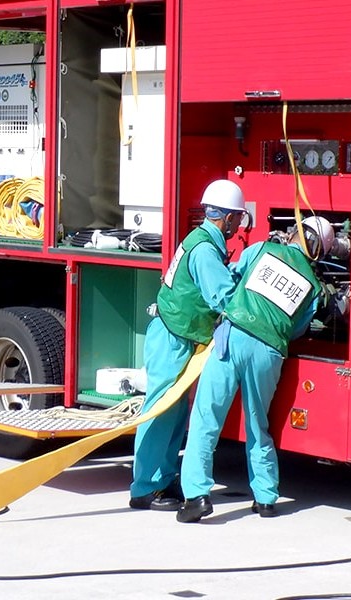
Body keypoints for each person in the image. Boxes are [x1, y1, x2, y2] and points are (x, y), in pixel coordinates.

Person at [176, 215, 334, 522]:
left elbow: (233, 277)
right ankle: (265, 498)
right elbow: (299, 328)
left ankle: (196, 496)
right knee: (257, 423)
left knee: (207, 417)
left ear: (294, 233)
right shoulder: (314, 288)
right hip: (269, 352)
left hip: (233, 336)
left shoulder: (261, 249)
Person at [129, 179, 247, 510]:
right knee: (161, 410)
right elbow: (223, 297)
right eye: (237, 217)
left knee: (174, 413)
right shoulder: (207, 250)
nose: (240, 224)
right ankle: (144, 488)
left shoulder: (200, 241)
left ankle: (162, 483)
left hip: (174, 335)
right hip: (172, 338)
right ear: (225, 218)